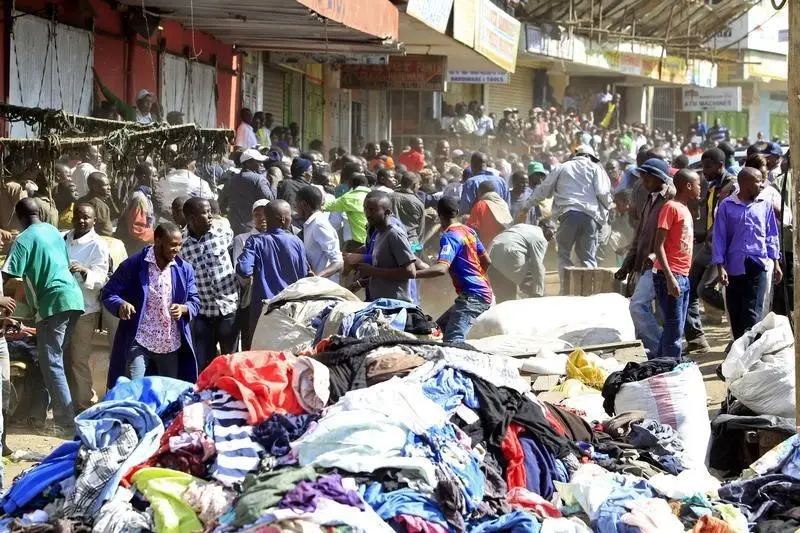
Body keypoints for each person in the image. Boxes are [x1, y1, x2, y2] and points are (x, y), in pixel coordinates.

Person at [2, 198, 85, 434]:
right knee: (50, 362)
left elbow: (5, 274)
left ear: (19, 217)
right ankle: (46, 415)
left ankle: (66, 421)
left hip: (54, 302)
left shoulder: (24, 239)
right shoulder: (52, 232)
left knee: (51, 363)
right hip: (73, 299)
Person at [102, 222, 199, 387]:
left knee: (169, 395)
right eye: (172, 245)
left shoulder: (184, 269)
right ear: (158, 241)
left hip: (170, 343)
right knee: (134, 389)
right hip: (139, 340)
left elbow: (194, 300)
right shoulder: (133, 265)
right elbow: (109, 292)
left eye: (179, 245)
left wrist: (184, 308)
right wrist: (120, 304)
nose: (177, 249)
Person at [526, 145, 612, 289]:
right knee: (588, 257)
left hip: (568, 214)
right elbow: (603, 193)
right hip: (590, 217)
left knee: (564, 254)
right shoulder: (596, 169)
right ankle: (589, 291)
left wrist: (527, 205)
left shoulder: (562, 167)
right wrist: (608, 209)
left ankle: (566, 289)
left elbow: (543, 189)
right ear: (590, 156)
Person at [713, 167, 782, 340]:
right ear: (745, 183)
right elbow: (719, 237)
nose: (761, 185)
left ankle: (750, 354)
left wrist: (776, 263)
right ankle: (739, 352)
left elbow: (771, 235)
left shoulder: (764, 206)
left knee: (752, 313)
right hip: (733, 267)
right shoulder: (726, 206)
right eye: (758, 181)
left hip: (757, 265)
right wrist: (720, 267)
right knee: (735, 312)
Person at [616, 158, 675, 356]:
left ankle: (661, 350)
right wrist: (627, 264)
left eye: (646, 176)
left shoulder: (671, 199)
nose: (642, 180)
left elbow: (674, 235)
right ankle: (652, 350)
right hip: (644, 263)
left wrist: (653, 255)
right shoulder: (650, 198)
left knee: (638, 306)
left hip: (660, 263)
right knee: (647, 309)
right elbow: (640, 234)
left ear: (658, 177)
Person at [416, 197, 494, 343]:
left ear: (439, 216)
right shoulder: (469, 231)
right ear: (457, 212)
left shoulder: (450, 236)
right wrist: (473, 277)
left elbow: (441, 269)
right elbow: (487, 261)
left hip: (473, 296)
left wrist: (411, 275)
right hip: (478, 292)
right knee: (437, 330)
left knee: (453, 340)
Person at [684, 148, 737, 352]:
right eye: (703, 167)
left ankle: (737, 315)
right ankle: (696, 339)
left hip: (724, 247)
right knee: (689, 287)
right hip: (709, 245)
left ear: (720, 165)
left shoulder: (732, 186)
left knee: (704, 289)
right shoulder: (713, 185)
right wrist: (704, 235)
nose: (704, 172)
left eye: (708, 167)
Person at [181, 198, 239, 369]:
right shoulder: (181, 244)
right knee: (203, 363)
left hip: (228, 308)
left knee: (231, 361)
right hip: (202, 312)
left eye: (210, 211)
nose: (210, 216)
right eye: (205, 213)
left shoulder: (224, 233)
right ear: (191, 218)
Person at [64, 203, 110, 413]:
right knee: (60, 359)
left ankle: (83, 405)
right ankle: (64, 405)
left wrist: (84, 272)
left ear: (94, 221)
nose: (81, 220)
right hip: (59, 306)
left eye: (86, 217)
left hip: (84, 309)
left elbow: (102, 278)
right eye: (78, 216)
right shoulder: (62, 237)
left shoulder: (98, 245)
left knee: (78, 359)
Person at [652, 170, 701, 360]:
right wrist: (670, 277)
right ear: (688, 186)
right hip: (670, 275)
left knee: (675, 326)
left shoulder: (685, 209)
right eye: (697, 184)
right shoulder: (671, 207)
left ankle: (659, 365)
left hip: (682, 275)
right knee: (674, 327)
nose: (700, 188)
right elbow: (658, 245)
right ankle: (672, 366)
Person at [236, 200, 309, 327]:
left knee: (260, 346)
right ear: (283, 219)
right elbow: (303, 275)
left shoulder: (255, 242)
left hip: (263, 310)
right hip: (290, 309)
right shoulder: (296, 242)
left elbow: (244, 269)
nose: (291, 219)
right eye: (289, 216)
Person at [354, 191, 416, 302]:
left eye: (372, 210)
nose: (367, 214)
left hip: (395, 304)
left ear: (387, 212)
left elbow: (410, 271)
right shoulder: (378, 232)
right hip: (380, 302)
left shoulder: (394, 234)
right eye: (365, 209)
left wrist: (372, 271)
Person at [232, 200, 269, 351]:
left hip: (273, 301)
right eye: (257, 215)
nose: (262, 218)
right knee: (250, 343)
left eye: (265, 214)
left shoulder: (281, 237)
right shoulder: (242, 239)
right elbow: (240, 272)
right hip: (250, 301)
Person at [487, 220, 554, 303]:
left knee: (504, 298)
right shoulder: (540, 237)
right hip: (511, 253)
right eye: (552, 231)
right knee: (533, 278)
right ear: (544, 227)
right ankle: (538, 305)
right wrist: (539, 293)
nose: (553, 236)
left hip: (491, 254)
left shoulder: (522, 226)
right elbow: (538, 266)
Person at [220, 149, 274, 235]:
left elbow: (222, 205)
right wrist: (274, 183)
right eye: (258, 162)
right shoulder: (259, 180)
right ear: (248, 163)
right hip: (255, 229)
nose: (262, 164)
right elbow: (271, 201)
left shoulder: (230, 181)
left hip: (234, 228)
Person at [296, 186, 343, 283]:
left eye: (296, 204)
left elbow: (338, 263)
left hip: (324, 288)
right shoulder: (311, 224)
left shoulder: (319, 224)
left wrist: (317, 278)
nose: (296, 208)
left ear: (304, 204)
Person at [115, 162, 157, 255]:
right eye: (154, 176)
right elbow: (137, 230)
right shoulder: (140, 199)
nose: (157, 179)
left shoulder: (144, 196)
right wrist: (158, 237)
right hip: (134, 249)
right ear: (143, 177)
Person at [323, 173, 372, 251]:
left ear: (351, 185)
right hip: (375, 241)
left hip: (357, 243)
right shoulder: (375, 196)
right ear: (367, 185)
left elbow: (325, 206)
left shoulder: (348, 198)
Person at [468, 181, 512, 247]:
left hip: (486, 247)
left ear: (480, 192)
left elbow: (472, 230)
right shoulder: (503, 204)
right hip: (504, 245)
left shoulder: (480, 205)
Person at [391, 172, 426, 253]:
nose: (418, 187)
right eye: (418, 185)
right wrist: (419, 248)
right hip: (411, 244)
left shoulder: (387, 197)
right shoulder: (418, 203)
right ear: (413, 185)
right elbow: (421, 230)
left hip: (390, 241)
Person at [75, 171, 115, 237]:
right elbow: (106, 231)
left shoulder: (80, 201)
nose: (109, 187)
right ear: (95, 187)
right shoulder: (100, 206)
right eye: (106, 185)